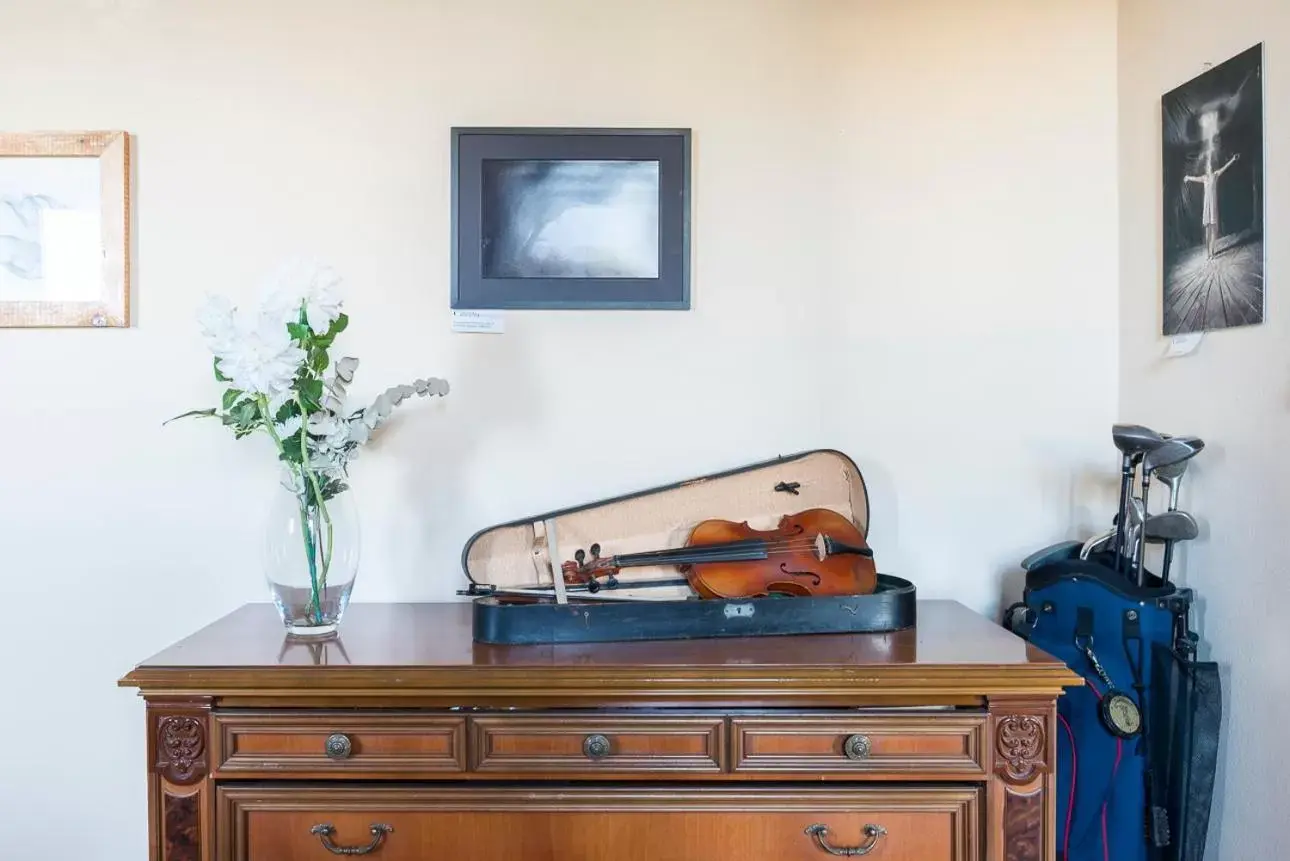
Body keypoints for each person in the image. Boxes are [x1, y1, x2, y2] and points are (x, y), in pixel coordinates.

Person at [1184, 150, 1240, 259]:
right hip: (1206, 205)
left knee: (1213, 228)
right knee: (1207, 230)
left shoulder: (1215, 174)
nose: (1208, 167)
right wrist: (1187, 177)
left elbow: (1225, 167)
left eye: (1210, 165)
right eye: (1207, 166)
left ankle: (1212, 252)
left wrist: (1233, 159)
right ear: (1206, 168)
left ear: (1212, 167)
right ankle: (1208, 253)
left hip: (1213, 205)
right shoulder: (1204, 178)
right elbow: (1194, 178)